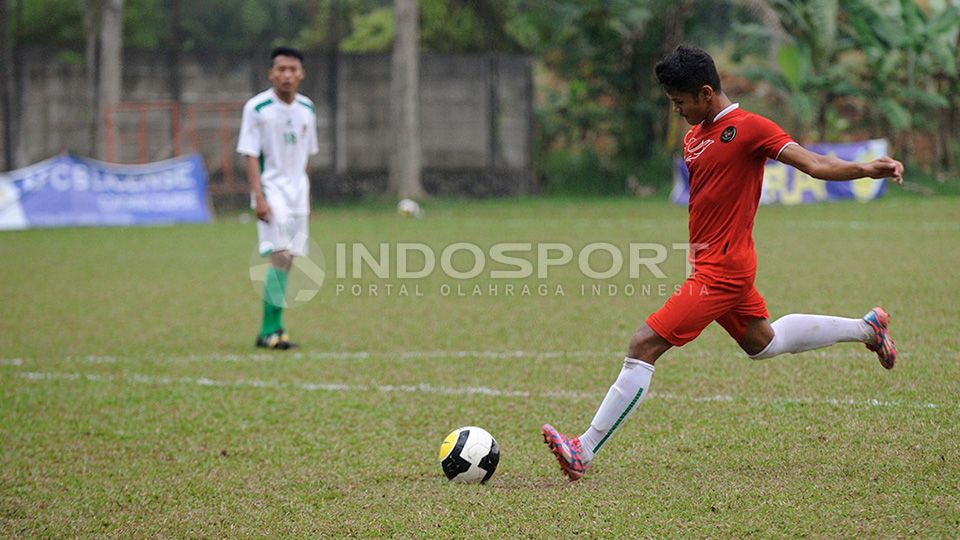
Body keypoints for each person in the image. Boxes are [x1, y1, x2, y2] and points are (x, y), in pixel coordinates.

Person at [541, 45, 904, 481]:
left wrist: (865, 169)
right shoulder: (694, 137)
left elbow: (814, 163)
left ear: (706, 93)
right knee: (764, 343)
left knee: (643, 345)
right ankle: (868, 329)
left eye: (680, 101)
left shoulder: (752, 129)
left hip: (724, 270)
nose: (676, 110)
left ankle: (583, 449)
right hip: (709, 265)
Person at [237, 46, 319, 350]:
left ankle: (275, 328)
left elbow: (307, 155)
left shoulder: (307, 108)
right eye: (281, 69)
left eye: (292, 70)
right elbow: (249, 154)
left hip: (298, 193)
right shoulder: (257, 108)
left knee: (290, 258)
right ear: (271, 74)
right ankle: (268, 331)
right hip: (271, 190)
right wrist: (258, 197)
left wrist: (306, 196)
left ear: (301, 74)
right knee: (280, 255)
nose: (287, 75)